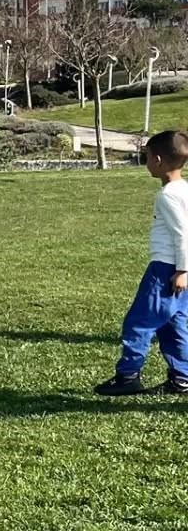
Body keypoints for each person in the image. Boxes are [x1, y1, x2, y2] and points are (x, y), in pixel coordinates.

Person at [96, 128, 188, 396]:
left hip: (167, 269)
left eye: (147, 157)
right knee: (173, 325)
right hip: (178, 271)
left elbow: (183, 234)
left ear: (158, 160)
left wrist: (182, 270)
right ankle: (183, 378)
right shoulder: (184, 189)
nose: (146, 162)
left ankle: (128, 376)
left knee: (139, 322)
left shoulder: (167, 195)